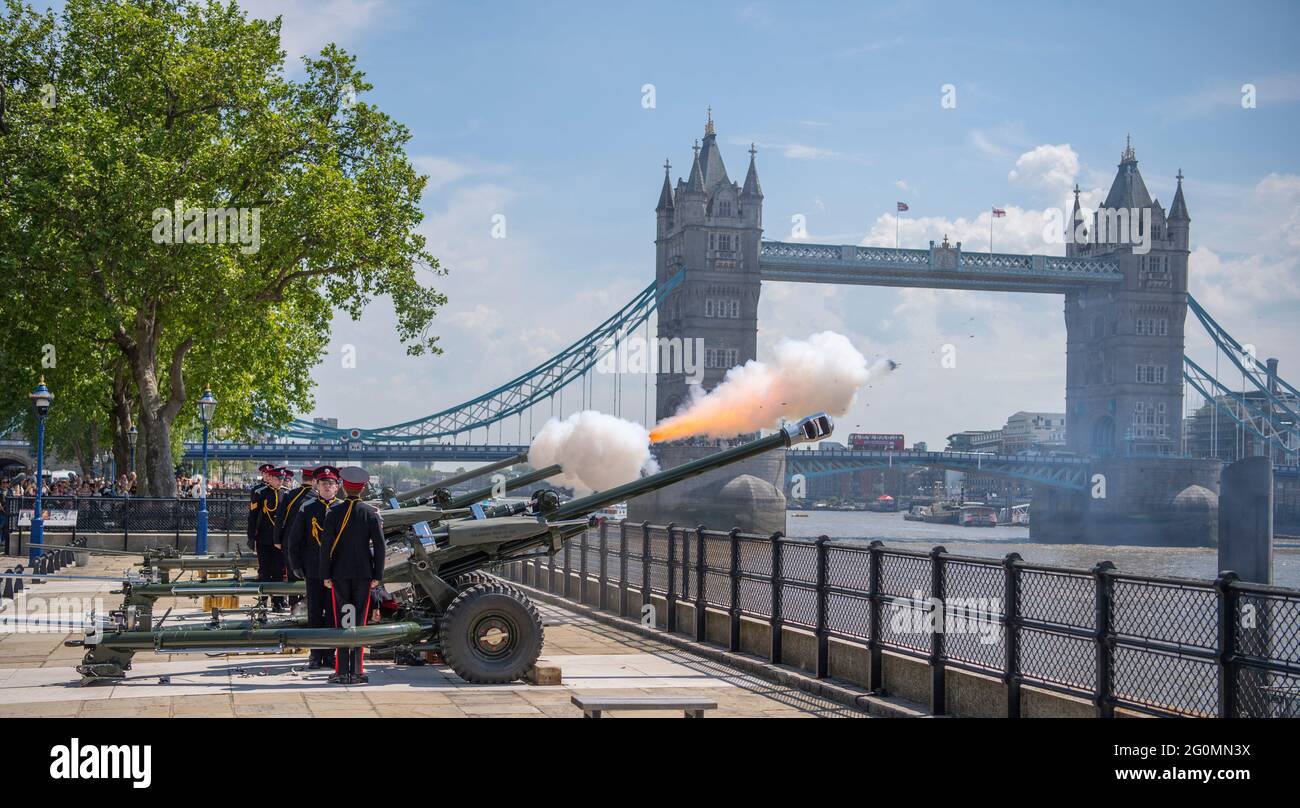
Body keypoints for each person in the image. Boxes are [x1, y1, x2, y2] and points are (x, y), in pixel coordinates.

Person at [322, 466, 385, 685]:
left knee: (342, 620)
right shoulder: (370, 513)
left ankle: (341, 671)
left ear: (343, 488)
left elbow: (325, 547)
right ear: (363, 488)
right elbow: (380, 546)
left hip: (339, 573)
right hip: (364, 574)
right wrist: (378, 574)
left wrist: (326, 574)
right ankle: (357, 671)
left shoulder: (334, 513)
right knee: (358, 621)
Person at [286, 465, 338, 670]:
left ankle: (331, 653)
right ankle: (315, 654)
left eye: (331, 484)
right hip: (314, 569)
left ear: (337, 487)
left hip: (336, 571)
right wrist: (296, 565)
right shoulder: (307, 508)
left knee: (334, 614)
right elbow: (294, 540)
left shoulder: (342, 508)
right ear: (316, 485)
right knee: (315, 613)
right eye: (323, 483)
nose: (327, 487)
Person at [248, 463, 288, 611]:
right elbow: (253, 517)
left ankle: (277, 602)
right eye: (277, 478)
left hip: (279, 540)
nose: (280, 481)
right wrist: (251, 536)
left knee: (278, 572)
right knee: (265, 571)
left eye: (282, 479)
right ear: (270, 478)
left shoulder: (286, 494)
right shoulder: (261, 493)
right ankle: (263, 602)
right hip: (264, 538)